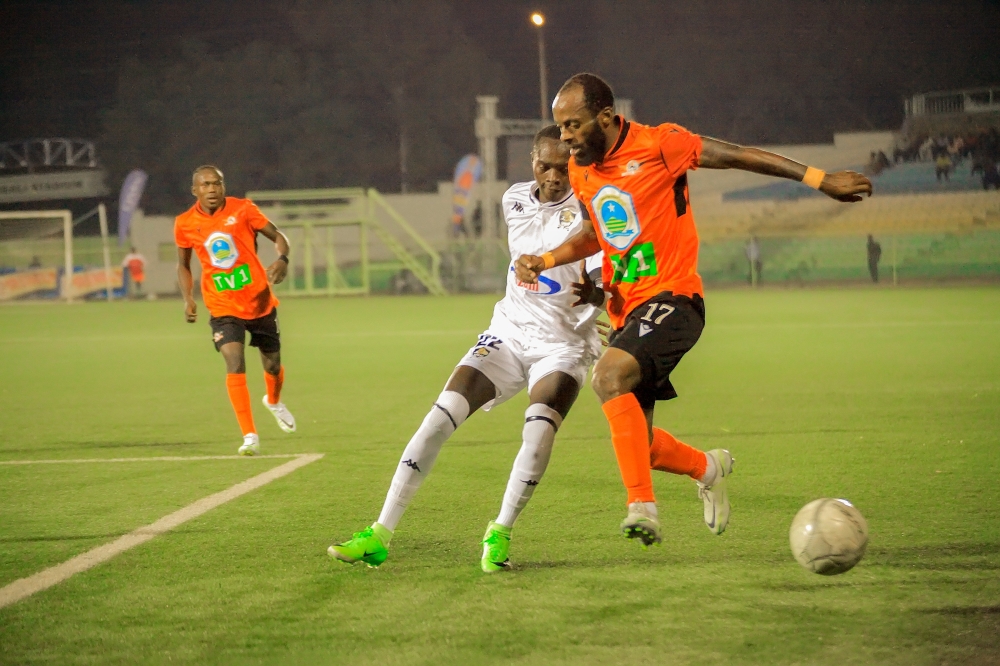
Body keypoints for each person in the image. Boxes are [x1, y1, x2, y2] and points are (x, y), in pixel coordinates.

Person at [516, 73, 873, 547]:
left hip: (675, 298)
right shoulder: (582, 171)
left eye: (573, 125)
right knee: (640, 444)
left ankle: (642, 508)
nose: (565, 138)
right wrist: (546, 259)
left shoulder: (661, 144)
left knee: (607, 377)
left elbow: (739, 155)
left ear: (605, 117)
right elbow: (595, 234)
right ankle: (707, 468)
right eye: (560, 127)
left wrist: (819, 179)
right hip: (627, 311)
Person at [329, 126, 606, 572]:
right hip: (508, 333)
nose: (554, 176)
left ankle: (500, 532)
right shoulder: (513, 199)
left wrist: (596, 295)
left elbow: (602, 277)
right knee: (437, 419)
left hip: (563, 345)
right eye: (545, 165)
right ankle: (379, 534)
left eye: (563, 167)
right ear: (532, 162)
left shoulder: (590, 209)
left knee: (538, 434)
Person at [175, 165, 297, 456]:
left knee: (272, 366)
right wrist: (188, 298)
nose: (212, 189)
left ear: (224, 187)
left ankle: (274, 401)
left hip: (259, 300)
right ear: (195, 190)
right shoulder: (184, 223)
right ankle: (249, 436)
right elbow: (183, 264)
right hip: (222, 305)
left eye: (216, 183)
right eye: (205, 184)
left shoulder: (243, 209)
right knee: (234, 360)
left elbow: (279, 236)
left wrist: (283, 258)